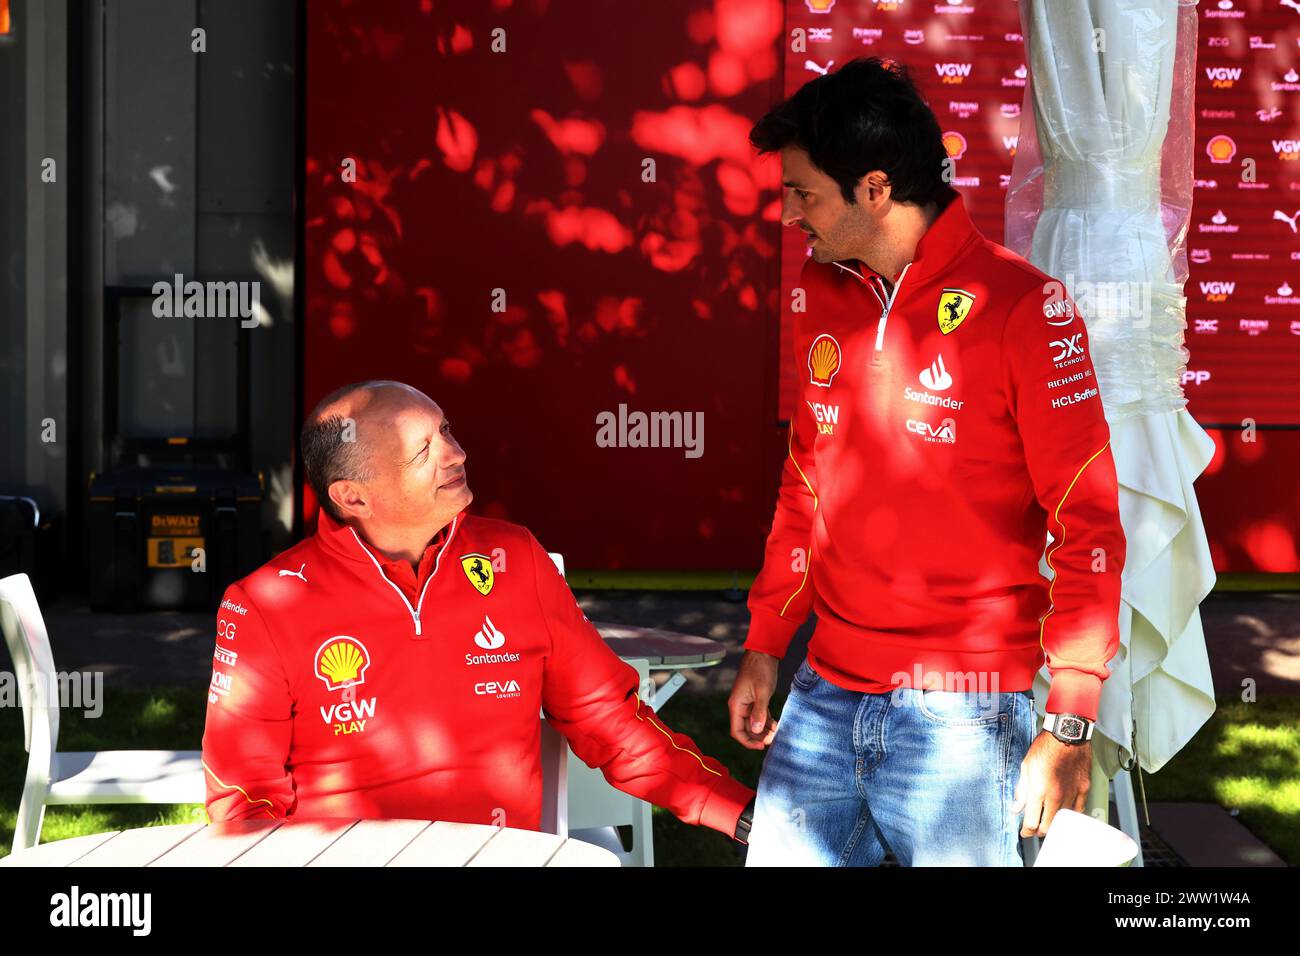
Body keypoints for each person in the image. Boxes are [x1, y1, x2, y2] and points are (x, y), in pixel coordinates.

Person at [730, 58, 1126, 866]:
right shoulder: (823, 289)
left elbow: (1086, 519)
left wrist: (1070, 718)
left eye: (802, 192)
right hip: (823, 692)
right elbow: (808, 480)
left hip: (967, 712)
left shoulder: (1025, 306)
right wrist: (766, 642)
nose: (788, 214)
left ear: (874, 188)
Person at [202, 380, 757, 845]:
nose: (456, 453)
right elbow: (245, 798)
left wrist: (739, 814)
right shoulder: (266, 603)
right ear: (353, 497)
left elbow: (609, 720)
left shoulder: (514, 558)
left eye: (445, 430)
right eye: (422, 450)